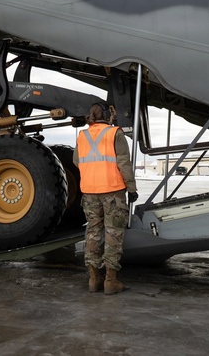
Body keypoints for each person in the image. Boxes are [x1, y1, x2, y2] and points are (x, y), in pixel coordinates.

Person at [74, 102, 138, 295]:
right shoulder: (115, 133)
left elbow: (77, 161)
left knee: (93, 232)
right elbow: (123, 163)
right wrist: (131, 188)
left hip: (89, 192)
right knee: (113, 234)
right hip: (113, 191)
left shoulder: (82, 136)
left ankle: (94, 279)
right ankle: (111, 281)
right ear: (107, 115)